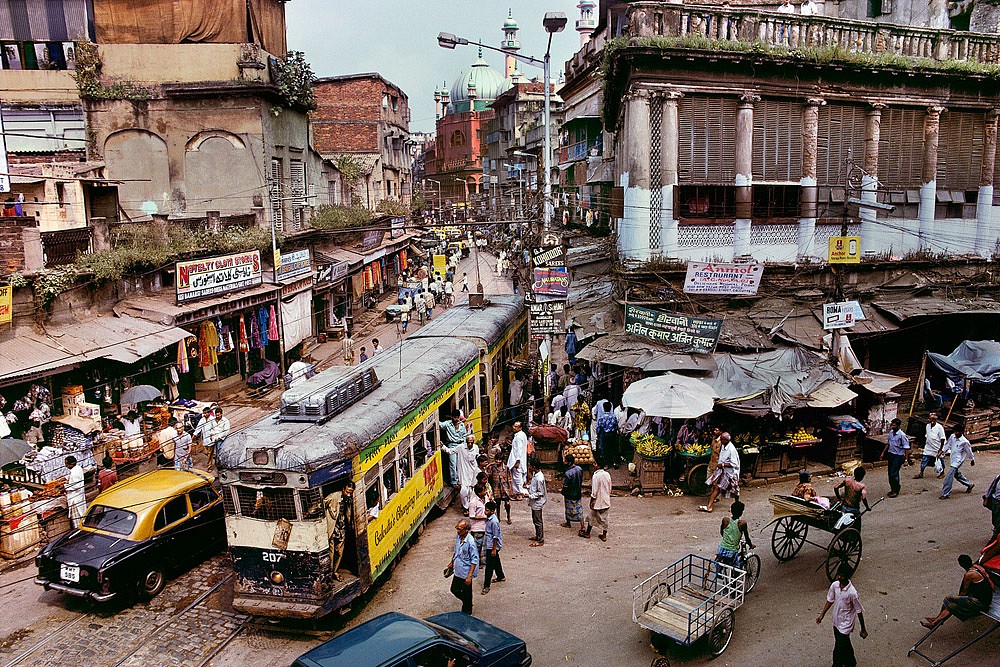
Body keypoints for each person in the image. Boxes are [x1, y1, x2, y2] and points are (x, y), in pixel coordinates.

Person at [921, 554, 994, 628]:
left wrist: (958, 598)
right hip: (984, 599)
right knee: (952, 605)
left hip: (980, 603)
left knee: (948, 599)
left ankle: (935, 621)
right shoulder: (976, 568)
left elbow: (964, 592)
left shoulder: (969, 575)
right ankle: (936, 620)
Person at [816, 564, 868, 667]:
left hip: (846, 625)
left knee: (838, 649)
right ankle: (851, 662)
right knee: (844, 644)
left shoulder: (852, 593)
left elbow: (859, 611)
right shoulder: (835, 585)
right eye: (839, 575)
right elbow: (830, 600)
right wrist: (822, 614)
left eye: (842, 576)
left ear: (847, 577)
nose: (840, 577)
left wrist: (863, 629)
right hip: (836, 622)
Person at [700, 433, 740, 513]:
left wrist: (722, 464)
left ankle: (737, 505)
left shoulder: (731, 449)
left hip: (730, 473)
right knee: (716, 487)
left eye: (722, 439)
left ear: (726, 440)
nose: (720, 441)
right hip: (723, 472)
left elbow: (734, 464)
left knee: (735, 490)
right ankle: (709, 506)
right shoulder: (723, 446)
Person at [447, 519, 479, 614]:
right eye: (457, 528)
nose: (458, 531)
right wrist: (452, 562)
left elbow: (474, 560)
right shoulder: (459, 537)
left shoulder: (471, 542)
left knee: (467, 592)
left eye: (460, 529)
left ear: (466, 530)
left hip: (466, 572)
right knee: (454, 589)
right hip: (458, 570)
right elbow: (456, 551)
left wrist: (469, 576)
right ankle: (467, 602)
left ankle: (467, 610)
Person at [325, 482, 354, 581]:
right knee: (331, 554)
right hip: (332, 530)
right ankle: (329, 575)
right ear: (343, 489)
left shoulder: (349, 499)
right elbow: (320, 505)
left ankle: (335, 572)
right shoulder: (333, 497)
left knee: (339, 553)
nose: (349, 494)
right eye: (347, 492)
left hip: (342, 529)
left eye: (350, 492)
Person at [445, 429, 479, 511]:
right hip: (463, 473)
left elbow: (476, 458)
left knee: (472, 492)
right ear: (466, 442)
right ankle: (465, 507)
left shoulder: (476, 448)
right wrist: (443, 446)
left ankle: (472, 507)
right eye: (468, 442)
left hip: (473, 473)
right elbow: (450, 451)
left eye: (471, 442)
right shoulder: (461, 447)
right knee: (463, 492)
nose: (470, 444)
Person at [940, 424, 975, 499]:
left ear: (961, 432)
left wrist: (972, 459)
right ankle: (969, 484)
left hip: (958, 461)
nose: (956, 433)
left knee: (949, 476)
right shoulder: (952, 437)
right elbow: (948, 445)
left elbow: (969, 451)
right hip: (952, 459)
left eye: (957, 432)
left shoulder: (964, 442)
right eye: (955, 432)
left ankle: (946, 493)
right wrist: (942, 451)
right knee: (956, 474)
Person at [716, 500, 754, 567]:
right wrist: (751, 545)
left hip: (721, 548)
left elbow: (722, 532)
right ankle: (735, 574)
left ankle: (719, 573)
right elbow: (747, 539)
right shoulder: (742, 524)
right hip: (732, 551)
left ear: (731, 510)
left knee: (721, 563)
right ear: (741, 513)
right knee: (735, 568)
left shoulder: (725, 520)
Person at [582, 461, 612, 541]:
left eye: (595, 463)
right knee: (605, 519)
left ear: (598, 466)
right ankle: (604, 535)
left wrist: (592, 500)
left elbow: (594, 491)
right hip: (606, 500)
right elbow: (610, 488)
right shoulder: (607, 474)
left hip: (597, 501)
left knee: (592, 517)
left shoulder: (596, 476)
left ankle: (587, 533)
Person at [881, 418, 910, 497]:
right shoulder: (891, 433)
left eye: (894, 425)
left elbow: (906, 448)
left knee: (894, 473)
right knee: (890, 473)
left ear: (898, 426)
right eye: (892, 425)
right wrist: (883, 453)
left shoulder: (902, 435)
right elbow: (888, 443)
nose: (892, 426)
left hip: (898, 456)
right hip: (891, 454)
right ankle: (892, 489)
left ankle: (896, 490)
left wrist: (906, 459)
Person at [481, 501, 506, 595]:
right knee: (496, 560)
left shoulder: (494, 521)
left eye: (487, 510)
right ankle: (501, 576)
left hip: (492, 546)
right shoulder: (489, 519)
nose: (485, 512)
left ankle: (486, 586)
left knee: (489, 566)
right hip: (490, 544)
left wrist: (494, 549)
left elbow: (495, 536)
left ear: (492, 511)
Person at [440, 410, 468, 489]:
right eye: (455, 417)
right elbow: (439, 424)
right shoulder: (447, 424)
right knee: (453, 464)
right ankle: (454, 481)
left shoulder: (462, 425)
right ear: (451, 417)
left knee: (459, 463)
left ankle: (460, 479)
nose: (456, 419)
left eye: (458, 417)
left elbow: (465, 436)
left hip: (461, 445)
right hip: (451, 445)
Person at [915, 412, 946, 479]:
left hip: (937, 447)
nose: (928, 420)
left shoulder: (939, 427)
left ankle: (942, 472)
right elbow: (927, 436)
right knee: (924, 459)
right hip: (928, 447)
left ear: (934, 420)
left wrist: (940, 449)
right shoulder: (927, 426)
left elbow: (942, 439)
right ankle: (921, 472)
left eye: (930, 419)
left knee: (940, 460)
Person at [561, 454, 586, 533]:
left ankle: (568, 523)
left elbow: (566, 485)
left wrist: (563, 491)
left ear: (569, 462)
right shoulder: (579, 469)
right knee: (579, 510)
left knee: (568, 509)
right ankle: (582, 525)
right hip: (578, 492)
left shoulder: (568, 473)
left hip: (570, 493)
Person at [486, 451, 513, 525]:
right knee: (497, 504)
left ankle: (508, 516)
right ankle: (498, 517)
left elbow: (509, 479)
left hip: (505, 488)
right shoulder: (493, 468)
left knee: (507, 503)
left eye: (499, 460)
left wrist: (511, 490)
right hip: (496, 488)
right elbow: (488, 476)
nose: (498, 461)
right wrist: (489, 465)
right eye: (497, 460)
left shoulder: (506, 468)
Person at [526, 458, 547, 546]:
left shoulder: (539, 478)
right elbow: (534, 487)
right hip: (534, 502)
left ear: (534, 467)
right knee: (535, 520)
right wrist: (528, 486)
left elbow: (540, 492)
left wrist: (529, 496)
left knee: (538, 521)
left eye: (530, 466)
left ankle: (540, 540)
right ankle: (538, 536)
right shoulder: (536, 475)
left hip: (538, 502)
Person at [507, 421, 529, 498]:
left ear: (520, 428)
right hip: (519, 459)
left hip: (517, 460)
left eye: (516, 426)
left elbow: (519, 449)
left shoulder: (519, 437)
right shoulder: (521, 435)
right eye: (514, 426)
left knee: (517, 477)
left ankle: (521, 492)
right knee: (518, 477)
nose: (514, 427)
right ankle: (518, 491)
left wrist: (517, 461)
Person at [65, 455, 86, 528]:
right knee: (81, 514)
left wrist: (65, 486)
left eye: (67, 464)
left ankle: (78, 529)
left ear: (71, 464)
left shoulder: (74, 472)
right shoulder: (78, 468)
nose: (66, 466)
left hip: (75, 498)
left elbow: (76, 486)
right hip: (78, 496)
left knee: (77, 517)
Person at [468, 483, 488, 556]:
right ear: (479, 493)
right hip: (477, 528)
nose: (486, 492)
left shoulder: (486, 499)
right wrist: (484, 517)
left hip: (485, 527)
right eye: (484, 490)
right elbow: (472, 516)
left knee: (486, 546)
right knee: (477, 547)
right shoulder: (473, 502)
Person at [985, 472, 1000, 537]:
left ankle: (995, 536)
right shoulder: (998, 477)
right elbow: (991, 488)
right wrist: (987, 498)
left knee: (998, 522)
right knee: (995, 520)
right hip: (995, 501)